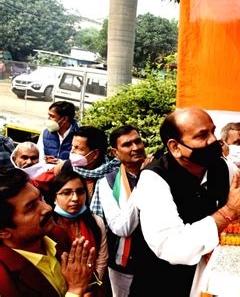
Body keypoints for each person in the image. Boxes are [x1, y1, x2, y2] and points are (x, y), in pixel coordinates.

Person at [130, 107, 240, 296]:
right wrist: (229, 211)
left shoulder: (221, 166)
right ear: (175, 147)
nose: (213, 140)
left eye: (213, 131)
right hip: (162, 285)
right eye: (202, 136)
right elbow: (172, 247)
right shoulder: (153, 179)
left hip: (206, 281)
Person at [0, 168, 96, 296]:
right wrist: (75, 291)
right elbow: (77, 286)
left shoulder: (57, 234)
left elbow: (85, 281)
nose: (47, 208)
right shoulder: (4, 280)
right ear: (3, 231)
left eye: (40, 199)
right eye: (31, 207)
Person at [94, 125, 151, 296]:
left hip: (157, 260)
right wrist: (143, 180)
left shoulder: (160, 172)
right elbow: (122, 228)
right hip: (124, 265)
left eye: (137, 141)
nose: (135, 148)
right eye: (127, 144)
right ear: (115, 152)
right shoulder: (107, 183)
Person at [46, 170, 108, 296]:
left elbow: (102, 258)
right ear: (54, 197)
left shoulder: (95, 222)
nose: (75, 198)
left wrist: (92, 285)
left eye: (80, 192)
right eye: (66, 193)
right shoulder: (48, 226)